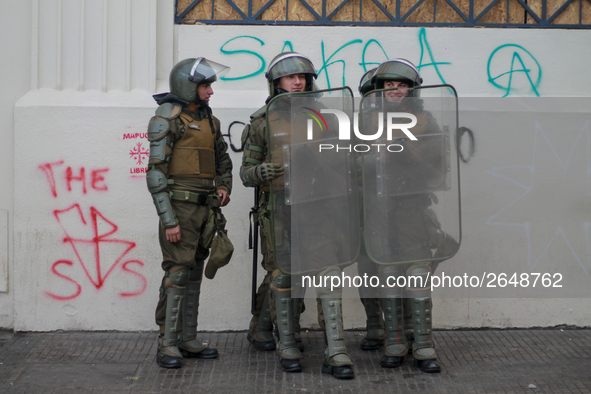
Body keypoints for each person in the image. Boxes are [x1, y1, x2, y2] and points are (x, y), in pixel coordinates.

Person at [240, 52, 355, 379]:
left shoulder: (325, 117)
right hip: (278, 212)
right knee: (283, 276)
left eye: (302, 77)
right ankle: (286, 343)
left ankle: (336, 351)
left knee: (329, 274)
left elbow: (345, 160)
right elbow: (245, 173)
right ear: (276, 83)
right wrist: (261, 171)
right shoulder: (262, 122)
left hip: (318, 210)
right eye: (290, 78)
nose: (298, 82)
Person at [360, 58, 458, 373]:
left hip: (413, 208)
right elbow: (349, 163)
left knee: (417, 273)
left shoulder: (425, 121)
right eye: (389, 85)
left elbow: (436, 168)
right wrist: (376, 158)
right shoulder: (365, 122)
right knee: (387, 272)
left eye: (401, 85)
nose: (395, 90)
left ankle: (424, 344)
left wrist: (404, 149)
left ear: (411, 89)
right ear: (380, 89)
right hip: (377, 208)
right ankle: (395, 341)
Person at [146, 57, 233, 369]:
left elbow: (223, 160)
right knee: (178, 272)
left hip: (205, 208)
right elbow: (155, 174)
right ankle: (167, 343)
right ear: (188, 86)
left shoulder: (210, 120)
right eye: (205, 85)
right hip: (179, 208)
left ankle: (188, 339)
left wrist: (224, 186)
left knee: (194, 272)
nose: (210, 91)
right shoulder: (167, 119)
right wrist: (168, 220)